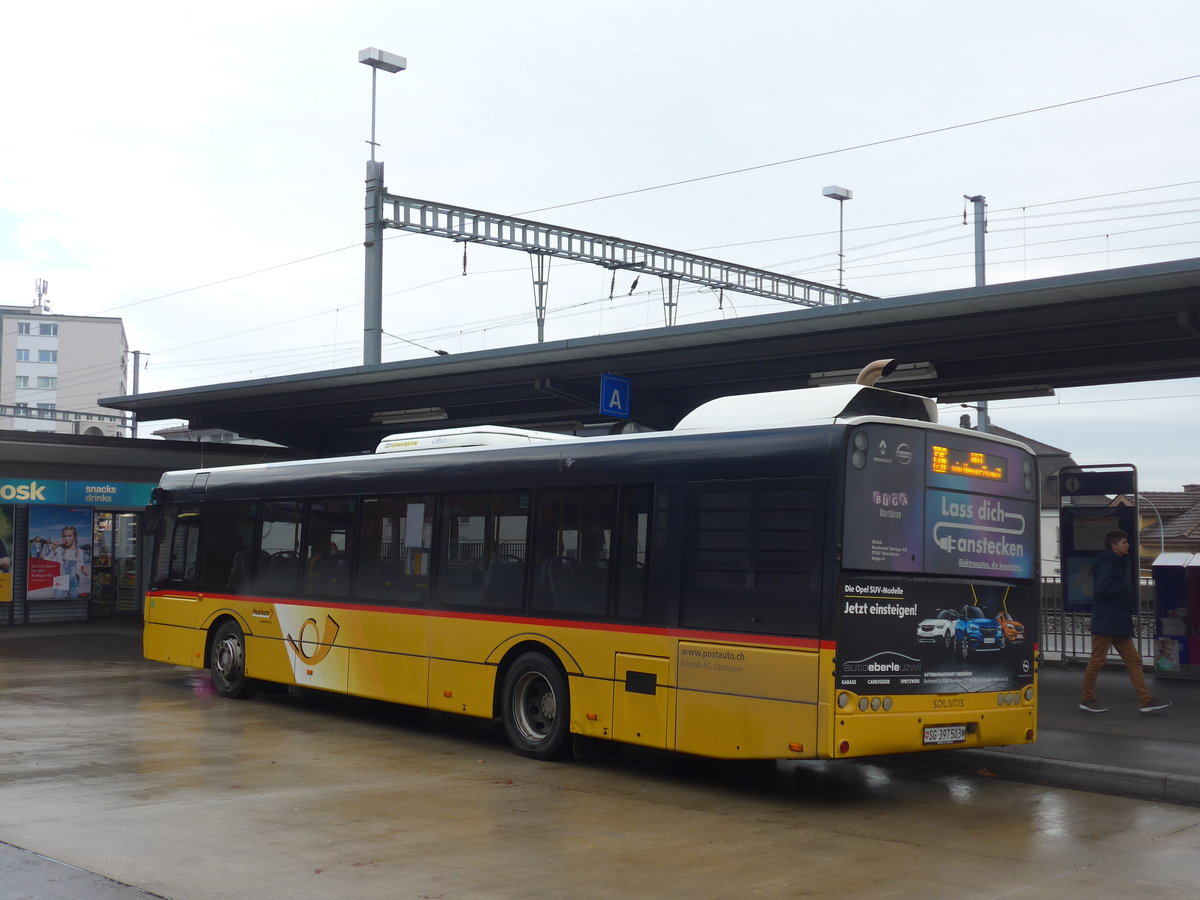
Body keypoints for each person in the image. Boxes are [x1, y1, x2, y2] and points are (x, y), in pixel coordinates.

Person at [1079, 529, 1170, 713]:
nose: (1128, 545)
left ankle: (1145, 699)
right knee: (1097, 661)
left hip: (1117, 621)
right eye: (1124, 542)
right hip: (1107, 620)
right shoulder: (1107, 564)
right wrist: (1124, 586)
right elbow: (1102, 591)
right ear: (1114, 546)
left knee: (1134, 659)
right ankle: (1087, 698)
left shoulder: (1115, 563)